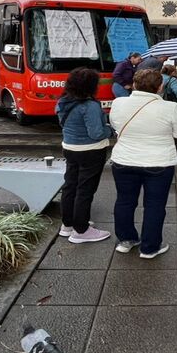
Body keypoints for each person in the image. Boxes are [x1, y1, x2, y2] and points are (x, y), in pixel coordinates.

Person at [108, 68, 177, 258]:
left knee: (125, 201)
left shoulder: (118, 103)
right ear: (160, 87)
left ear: (134, 84)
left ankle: (126, 240)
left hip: (124, 160)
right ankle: (150, 247)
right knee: (155, 205)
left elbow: (115, 125)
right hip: (159, 163)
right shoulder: (169, 107)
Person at [55, 67, 113, 243]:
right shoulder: (90, 106)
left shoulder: (63, 101)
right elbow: (96, 133)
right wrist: (109, 129)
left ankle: (68, 225)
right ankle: (81, 231)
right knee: (85, 190)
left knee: (70, 185)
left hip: (70, 148)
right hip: (91, 151)